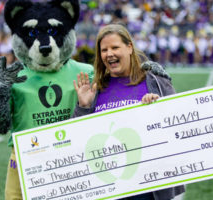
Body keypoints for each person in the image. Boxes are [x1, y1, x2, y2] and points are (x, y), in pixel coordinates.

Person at [73, 24, 185, 200]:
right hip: (107, 187)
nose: (109, 53)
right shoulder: (96, 88)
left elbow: (179, 125)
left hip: (148, 188)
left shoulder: (155, 80)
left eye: (115, 47)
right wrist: (83, 106)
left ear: (129, 48)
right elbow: (79, 141)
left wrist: (157, 109)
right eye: (104, 50)